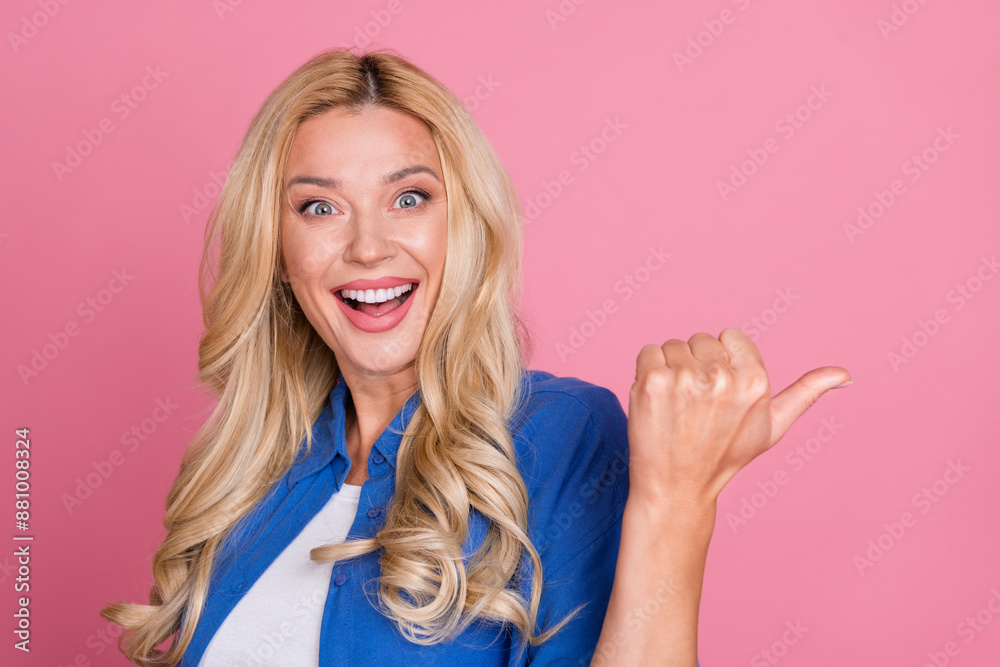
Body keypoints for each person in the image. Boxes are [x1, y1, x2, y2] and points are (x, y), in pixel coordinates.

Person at [101, 47, 851, 666]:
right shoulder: (251, 474)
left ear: (464, 224)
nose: (368, 247)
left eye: (409, 197)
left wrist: (678, 503)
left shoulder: (560, 435)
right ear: (277, 251)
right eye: (319, 207)